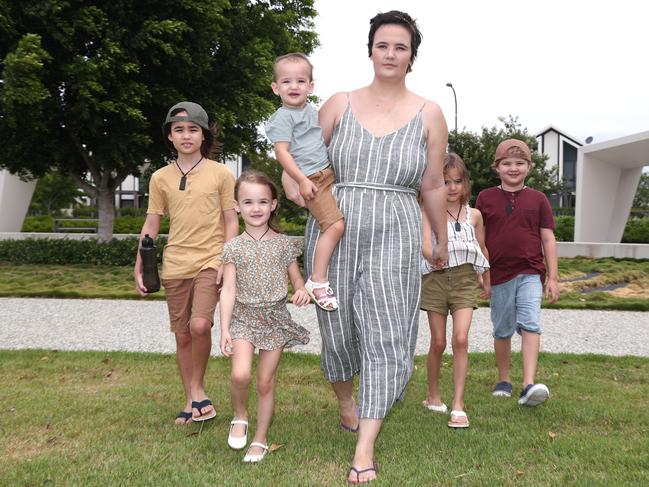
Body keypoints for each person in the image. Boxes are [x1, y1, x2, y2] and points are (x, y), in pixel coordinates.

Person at [297, 11, 449, 484]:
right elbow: (300, 165)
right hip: (334, 228)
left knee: (386, 333)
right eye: (383, 45)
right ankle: (347, 401)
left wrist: (439, 236)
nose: (390, 54)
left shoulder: (430, 113)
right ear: (370, 51)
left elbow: (433, 183)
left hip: (398, 230)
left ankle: (365, 447)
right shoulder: (338, 103)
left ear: (412, 58)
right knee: (338, 332)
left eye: (400, 47)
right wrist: (296, 185)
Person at [134, 101, 238, 424]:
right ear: (170, 137)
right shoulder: (159, 178)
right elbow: (152, 225)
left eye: (193, 129)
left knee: (200, 325)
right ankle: (190, 400)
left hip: (210, 260)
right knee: (182, 335)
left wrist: (227, 257)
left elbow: (231, 221)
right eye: (179, 130)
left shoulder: (221, 173)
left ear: (204, 135)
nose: (186, 135)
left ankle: (198, 388)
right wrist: (139, 263)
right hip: (175, 264)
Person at [219, 170, 310, 463]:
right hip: (243, 318)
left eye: (262, 201)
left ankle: (260, 439)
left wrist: (301, 291)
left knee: (264, 382)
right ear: (237, 206)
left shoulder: (284, 245)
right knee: (240, 374)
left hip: (275, 319)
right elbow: (228, 289)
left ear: (273, 205)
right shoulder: (233, 247)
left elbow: (297, 280)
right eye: (247, 202)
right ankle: (240, 415)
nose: (255, 208)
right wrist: (224, 329)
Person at [475, 138, 560, 407]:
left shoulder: (539, 199)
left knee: (531, 324)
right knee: (502, 329)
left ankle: (528, 384)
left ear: (529, 167)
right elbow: (480, 239)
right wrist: (481, 273)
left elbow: (548, 239)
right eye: (507, 163)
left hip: (530, 272)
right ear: (496, 167)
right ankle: (504, 379)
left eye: (520, 163)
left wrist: (553, 277)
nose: (514, 168)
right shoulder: (485, 198)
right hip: (499, 275)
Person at [265, 53, 345, 312]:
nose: (294, 86)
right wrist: (300, 180)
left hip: (326, 174)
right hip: (310, 179)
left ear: (311, 86)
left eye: (301, 81)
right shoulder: (282, 118)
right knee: (334, 226)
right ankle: (317, 279)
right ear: (276, 88)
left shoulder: (312, 112)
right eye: (286, 82)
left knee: (337, 222)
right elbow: (282, 153)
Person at [420, 153, 490, 429]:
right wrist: (434, 255)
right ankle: (432, 394)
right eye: (445, 182)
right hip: (435, 279)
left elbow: (482, 248)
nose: (451, 187)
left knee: (460, 339)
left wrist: (486, 276)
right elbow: (425, 244)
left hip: (464, 280)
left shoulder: (475, 215)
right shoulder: (428, 211)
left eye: (457, 181)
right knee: (438, 342)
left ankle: (459, 406)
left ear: (465, 183)